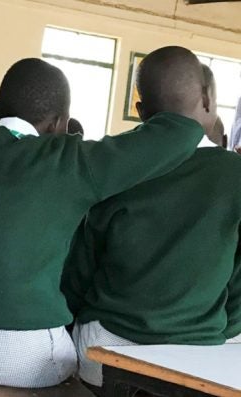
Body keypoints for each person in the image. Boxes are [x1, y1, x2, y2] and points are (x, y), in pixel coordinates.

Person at [0, 49, 208, 391]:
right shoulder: (72, 162)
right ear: (59, 124)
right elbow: (181, 132)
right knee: (82, 365)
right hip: (30, 356)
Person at [61, 48, 236, 389]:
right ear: (208, 100)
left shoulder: (115, 166)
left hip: (106, 349)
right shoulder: (234, 176)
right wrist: (216, 330)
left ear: (141, 112)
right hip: (196, 356)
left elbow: (79, 272)